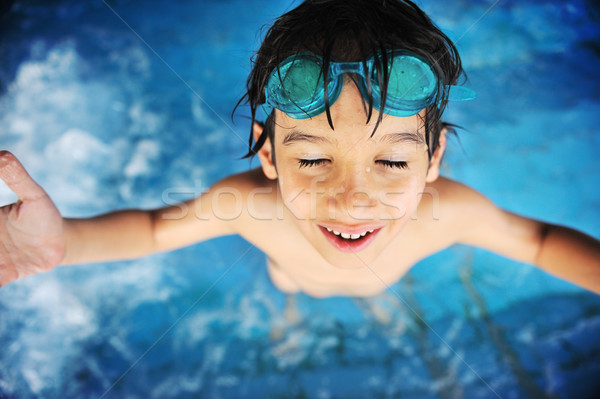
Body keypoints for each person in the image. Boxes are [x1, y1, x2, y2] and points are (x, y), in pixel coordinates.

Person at [0, 0, 598, 297]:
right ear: (268, 158)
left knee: (379, 294)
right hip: (292, 272)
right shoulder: (250, 205)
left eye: (392, 160)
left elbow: (541, 243)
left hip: (382, 275)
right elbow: (155, 230)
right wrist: (64, 245)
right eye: (312, 158)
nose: (353, 196)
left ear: (433, 160)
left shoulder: (454, 214)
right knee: (289, 289)